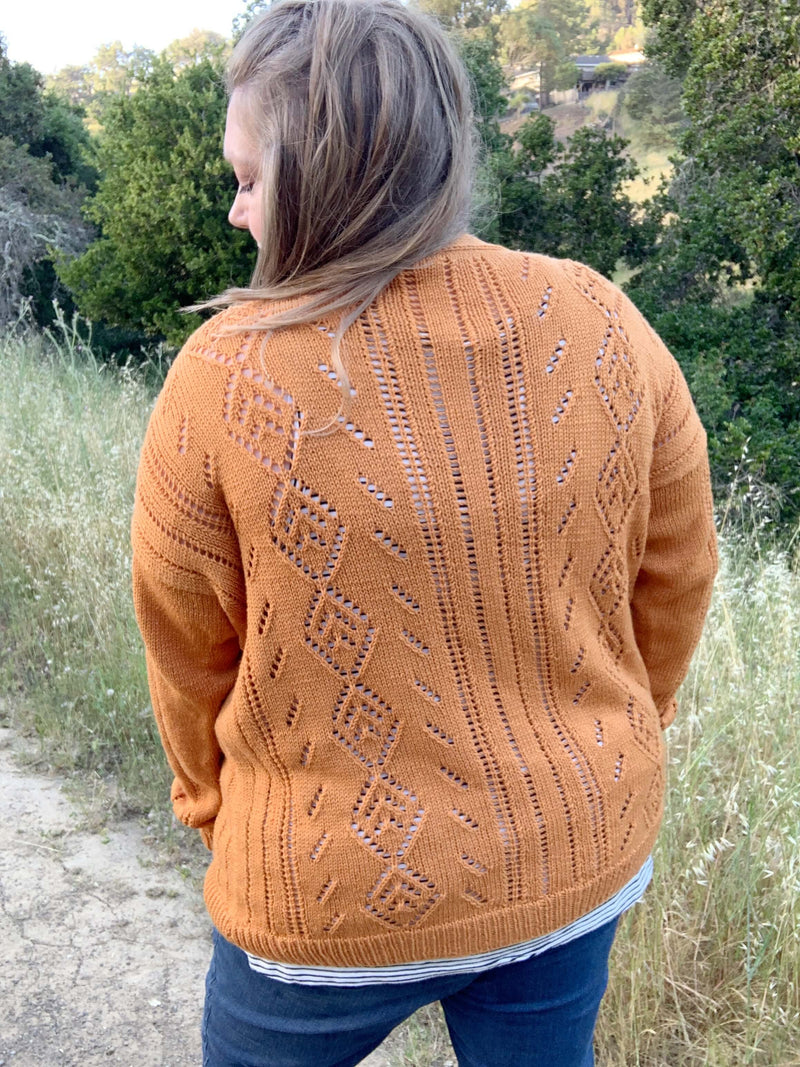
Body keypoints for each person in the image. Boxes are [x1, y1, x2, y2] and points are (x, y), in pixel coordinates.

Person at [130, 1, 718, 1064]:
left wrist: (220, 815)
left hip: (321, 902)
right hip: (575, 852)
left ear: (321, 177)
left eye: (249, 178)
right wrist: (616, 730)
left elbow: (186, 653)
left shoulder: (223, 377)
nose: (236, 211)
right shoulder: (602, 319)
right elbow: (678, 574)